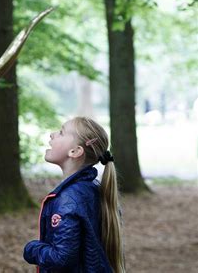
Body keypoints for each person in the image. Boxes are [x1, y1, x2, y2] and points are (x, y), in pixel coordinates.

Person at [23, 116, 125, 272]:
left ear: (75, 151)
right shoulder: (91, 190)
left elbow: (61, 258)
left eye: (61, 132)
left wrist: (31, 249)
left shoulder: (68, 199)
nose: (52, 134)